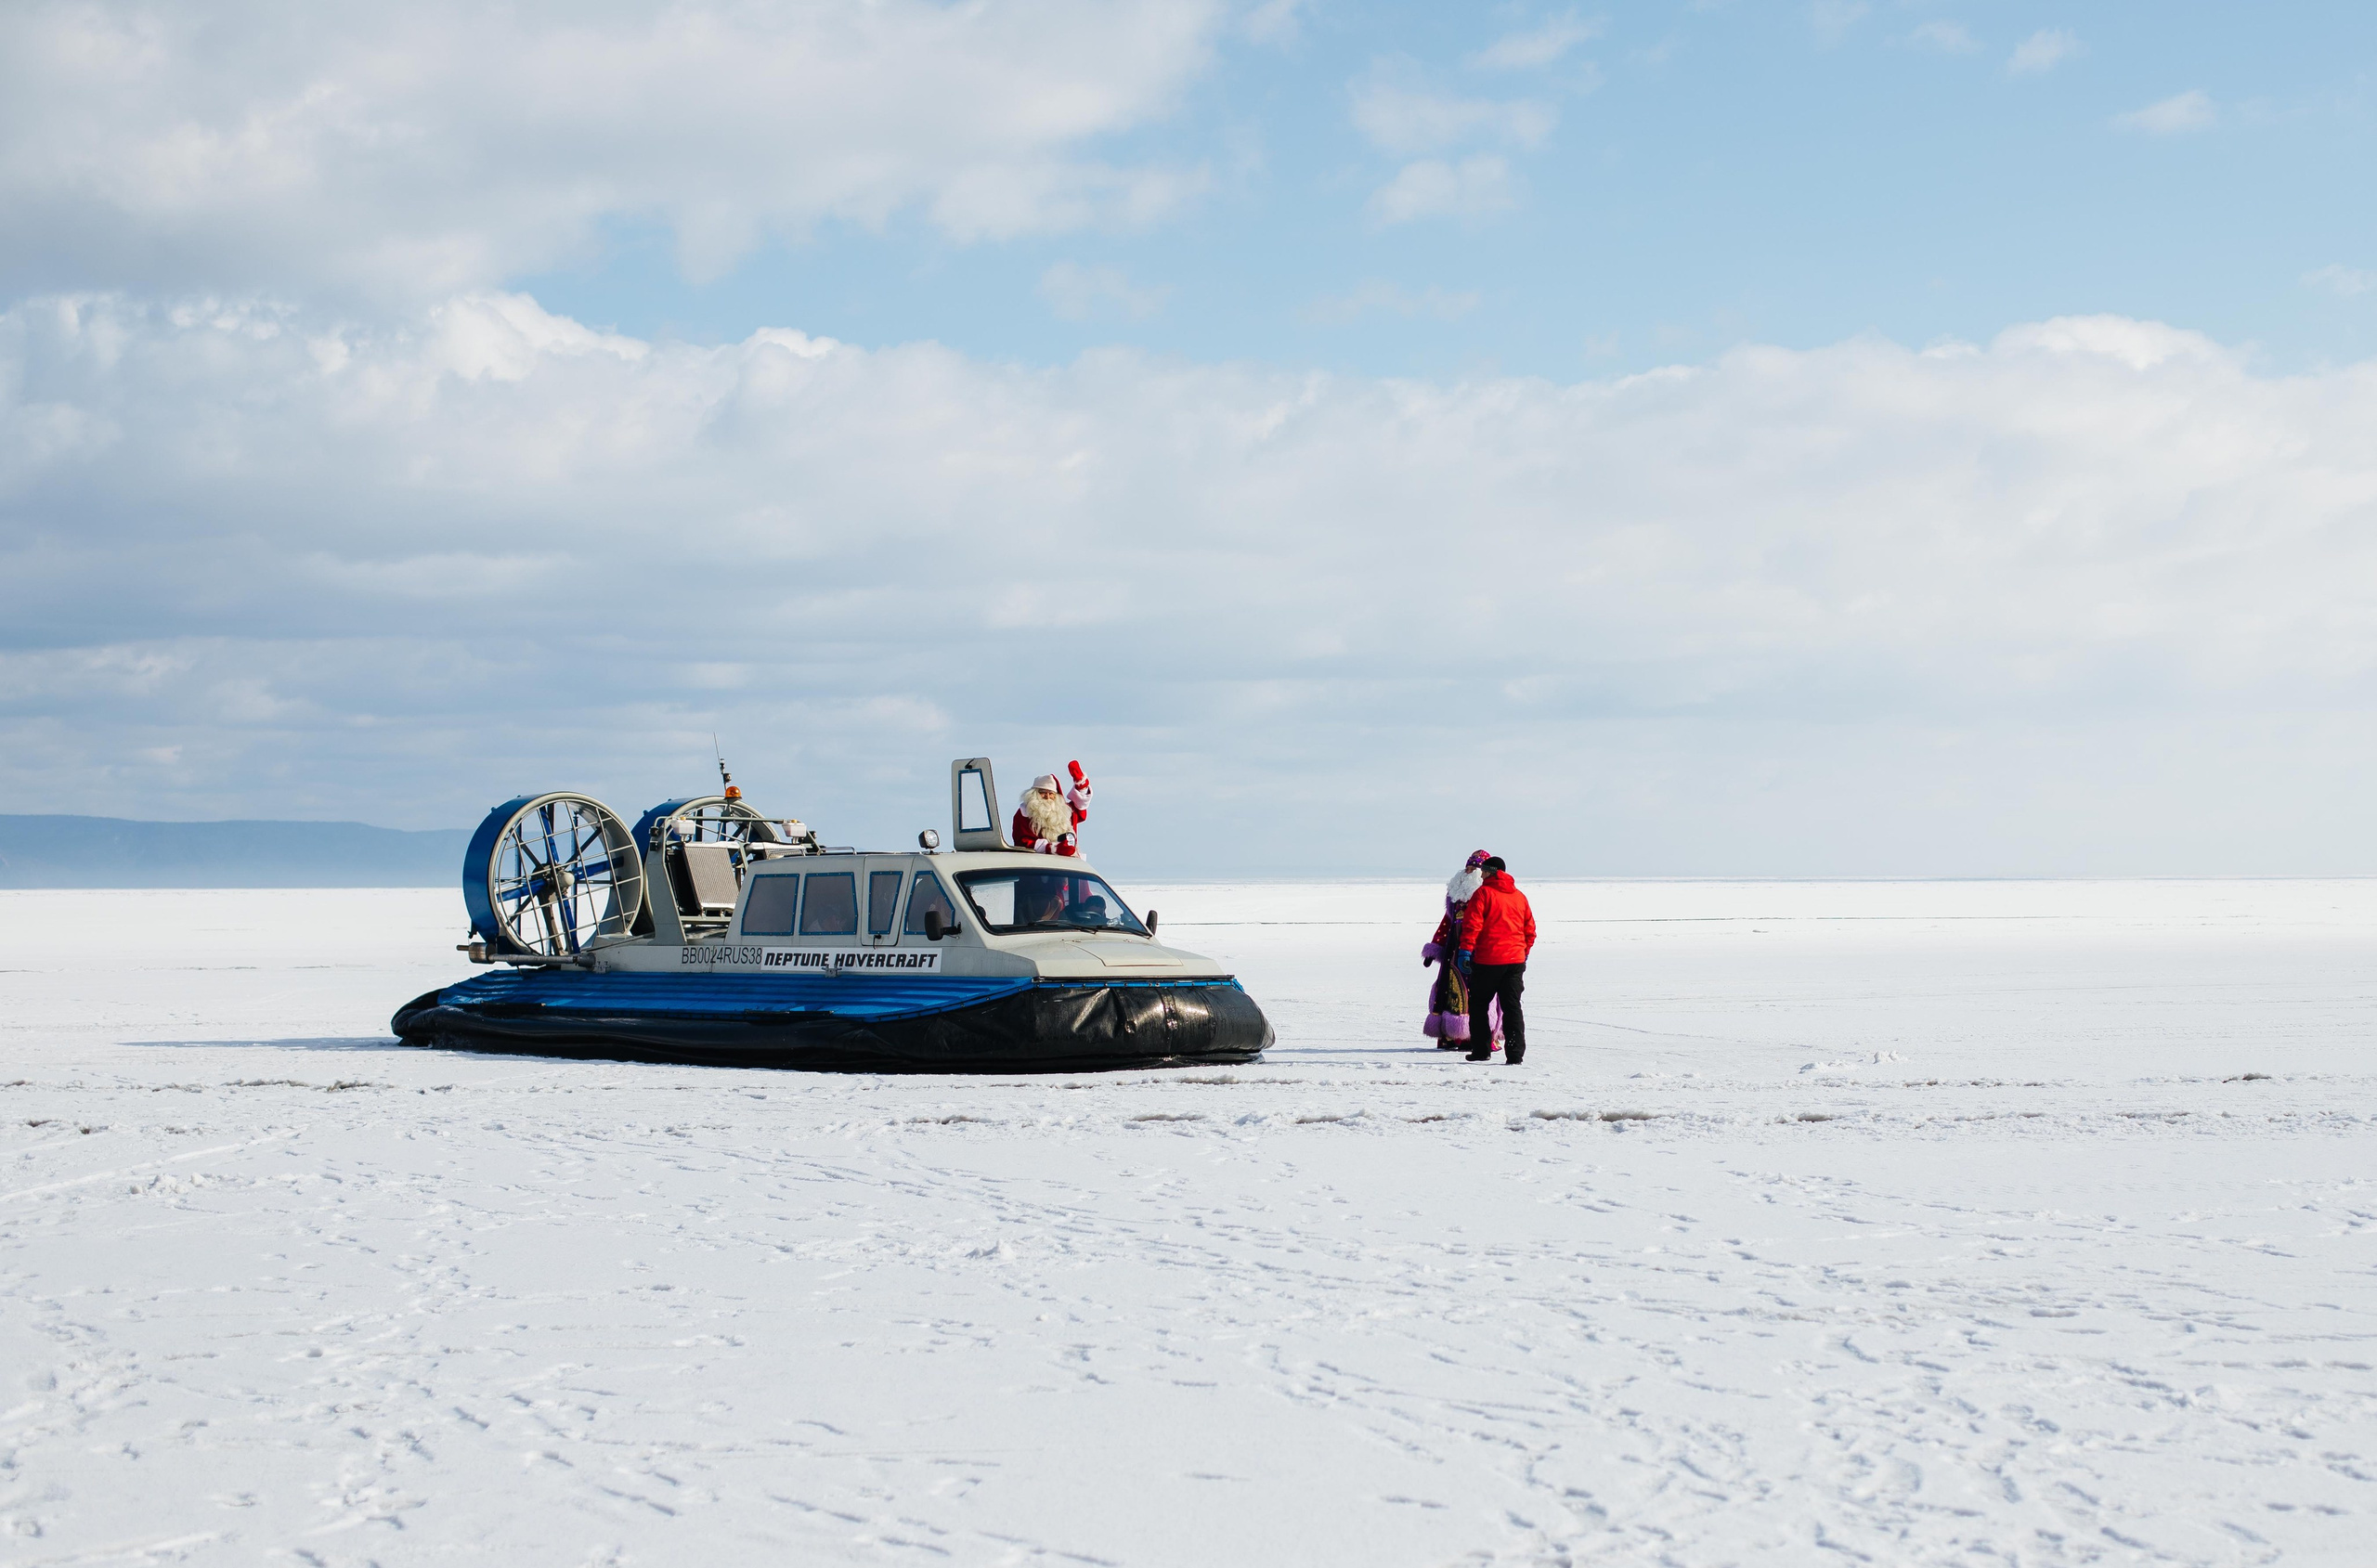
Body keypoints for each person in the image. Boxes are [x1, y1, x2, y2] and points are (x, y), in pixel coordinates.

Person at [1458, 856, 1537, 1064]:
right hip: (1515, 961)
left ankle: (1481, 1051)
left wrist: (1465, 952)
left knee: (1478, 1005)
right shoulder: (1519, 896)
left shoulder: (1483, 893)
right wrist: (1524, 952)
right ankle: (1515, 1055)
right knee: (1512, 1007)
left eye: (1484, 871)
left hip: (1488, 961)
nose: (1481, 874)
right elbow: (1530, 930)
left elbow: (1472, 925)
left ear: (1491, 872)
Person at [1422, 850, 1494, 1048]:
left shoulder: (1486, 895)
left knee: (1477, 994)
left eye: (1474, 868)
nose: (1469, 871)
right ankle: (1452, 1035)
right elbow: (1447, 922)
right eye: (1468, 867)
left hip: (1478, 950)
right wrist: (1435, 946)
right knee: (1449, 990)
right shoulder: (1455, 896)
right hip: (1454, 951)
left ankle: (1477, 1036)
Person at [1013, 761, 1092, 855]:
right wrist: (1051, 848)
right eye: (1043, 793)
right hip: (1038, 862)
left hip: (1069, 863)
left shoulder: (1063, 811)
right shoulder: (1025, 813)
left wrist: (1081, 785)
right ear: (1034, 794)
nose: (1048, 796)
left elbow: (1079, 809)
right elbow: (1022, 841)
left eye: (1051, 794)